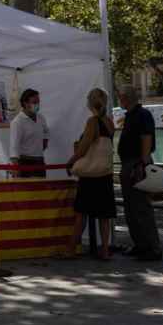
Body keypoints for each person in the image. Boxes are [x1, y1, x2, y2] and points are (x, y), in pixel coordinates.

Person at [66, 88, 117, 259]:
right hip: (106, 173)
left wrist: (71, 160)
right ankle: (104, 250)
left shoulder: (92, 122)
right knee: (104, 215)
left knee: (81, 214)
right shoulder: (110, 123)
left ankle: (71, 249)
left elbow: (84, 147)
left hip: (90, 176)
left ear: (89, 103)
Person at [118, 85, 162, 261]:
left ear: (126, 98)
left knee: (141, 208)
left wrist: (142, 164)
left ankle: (152, 247)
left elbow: (146, 138)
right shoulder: (131, 116)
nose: (119, 100)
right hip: (131, 163)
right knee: (131, 208)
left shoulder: (142, 115)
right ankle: (140, 244)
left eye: (121, 97)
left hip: (136, 164)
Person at [9, 88, 50, 178]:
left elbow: (46, 131)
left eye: (38, 102)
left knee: (41, 188)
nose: (37, 105)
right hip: (25, 162)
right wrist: (15, 167)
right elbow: (14, 146)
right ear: (25, 103)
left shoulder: (40, 118)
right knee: (26, 190)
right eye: (34, 102)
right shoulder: (18, 122)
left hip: (40, 161)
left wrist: (45, 140)